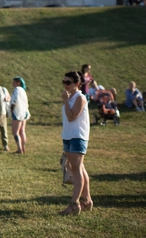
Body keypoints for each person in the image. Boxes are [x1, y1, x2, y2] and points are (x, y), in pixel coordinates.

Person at [60, 70, 92, 215]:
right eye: (64, 82)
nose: (65, 85)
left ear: (77, 84)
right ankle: (87, 200)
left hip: (77, 137)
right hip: (68, 136)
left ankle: (74, 204)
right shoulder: (71, 97)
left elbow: (72, 116)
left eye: (68, 82)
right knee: (79, 168)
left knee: (77, 170)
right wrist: (67, 100)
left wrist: (66, 101)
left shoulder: (80, 97)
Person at [10, 76, 30, 154]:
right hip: (24, 112)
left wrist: (11, 110)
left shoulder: (17, 90)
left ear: (18, 83)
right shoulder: (23, 91)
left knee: (15, 132)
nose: (13, 84)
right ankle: (23, 148)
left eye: (14, 82)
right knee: (22, 131)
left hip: (17, 112)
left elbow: (14, 101)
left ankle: (19, 149)